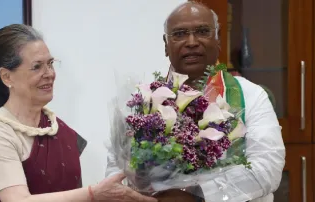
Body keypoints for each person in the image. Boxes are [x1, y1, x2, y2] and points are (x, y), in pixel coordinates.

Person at [106, 1, 285, 202]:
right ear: (166, 45)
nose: (191, 42)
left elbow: (266, 169)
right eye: (179, 34)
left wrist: (196, 194)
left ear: (217, 40)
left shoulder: (251, 96)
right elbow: (115, 174)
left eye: (202, 31)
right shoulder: (142, 104)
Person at [0, 24, 157, 202]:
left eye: (50, 63)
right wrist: (94, 193)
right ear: (7, 76)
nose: (49, 73)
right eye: (37, 66)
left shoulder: (58, 129)